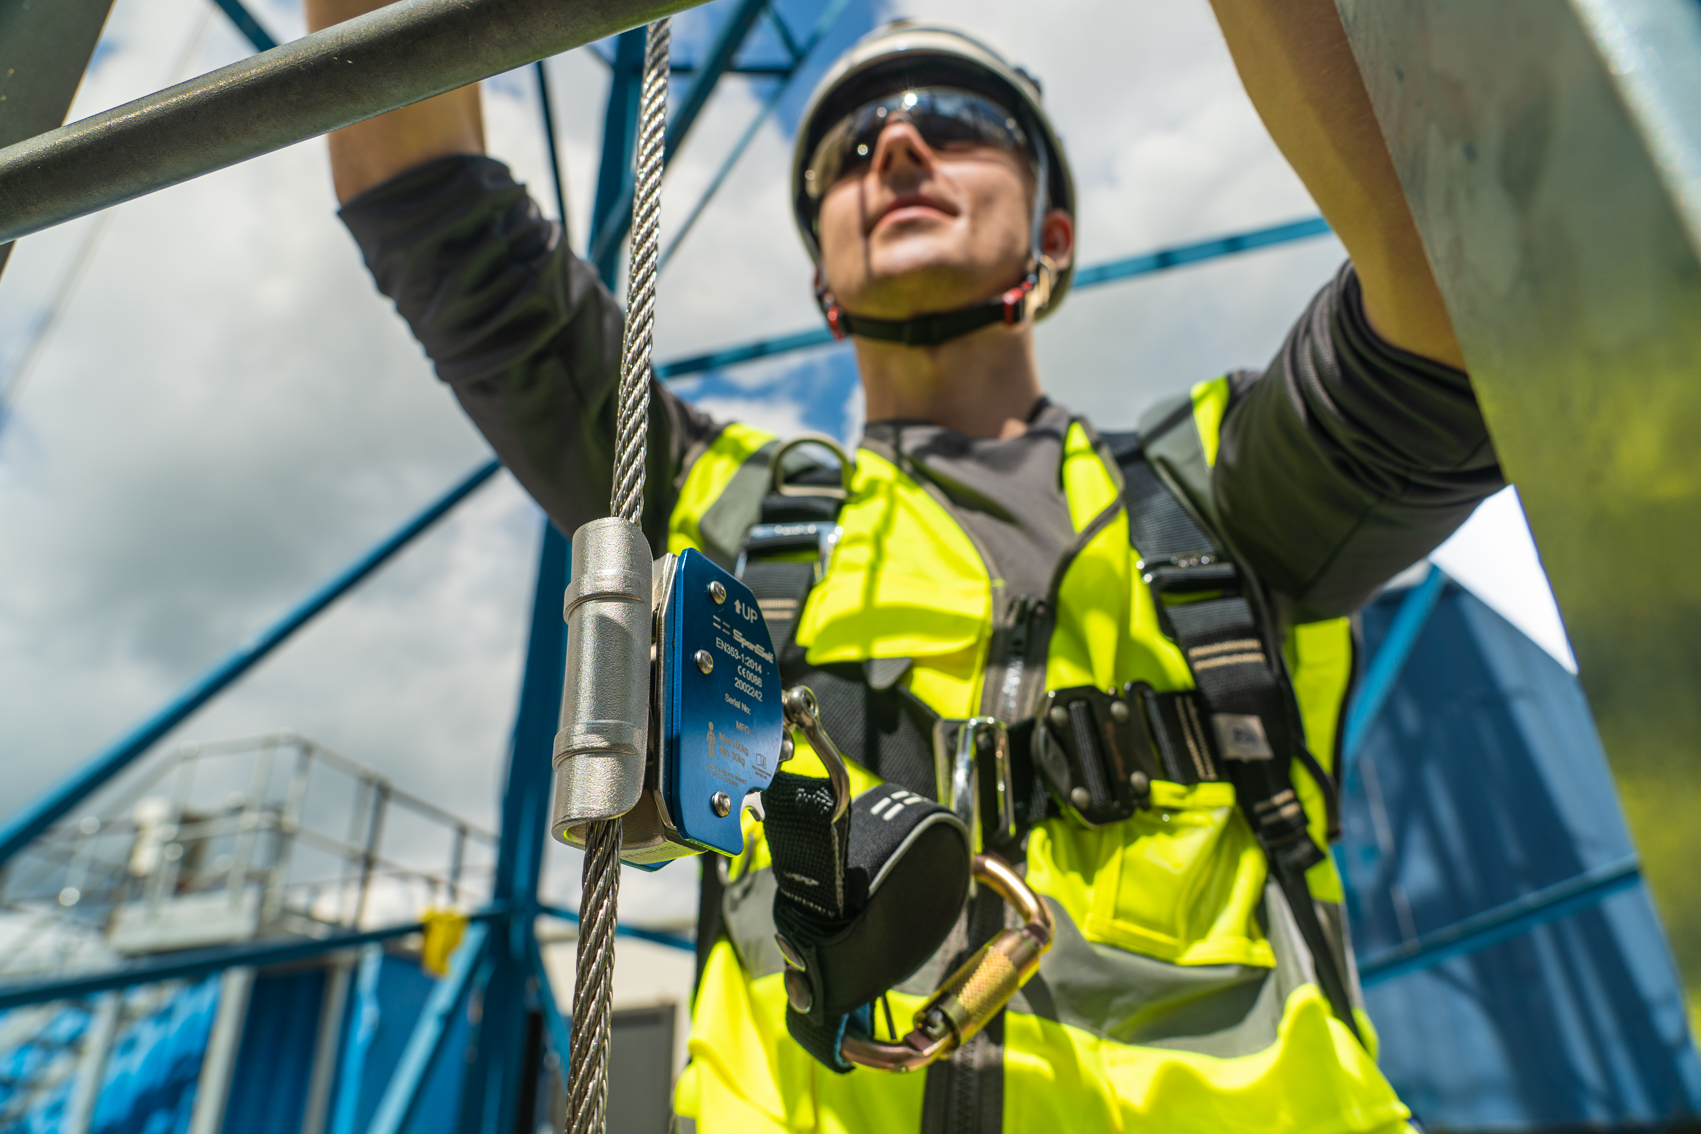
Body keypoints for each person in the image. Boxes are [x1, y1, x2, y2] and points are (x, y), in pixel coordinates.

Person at [305, 0, 1502, 1129]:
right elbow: (416, 186)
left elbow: (1456, 275)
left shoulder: (1225, 499)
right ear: (822, 278)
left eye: (962, 124)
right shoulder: (716, 514)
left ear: (1057, 237)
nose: (899, 147)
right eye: (849, 148)